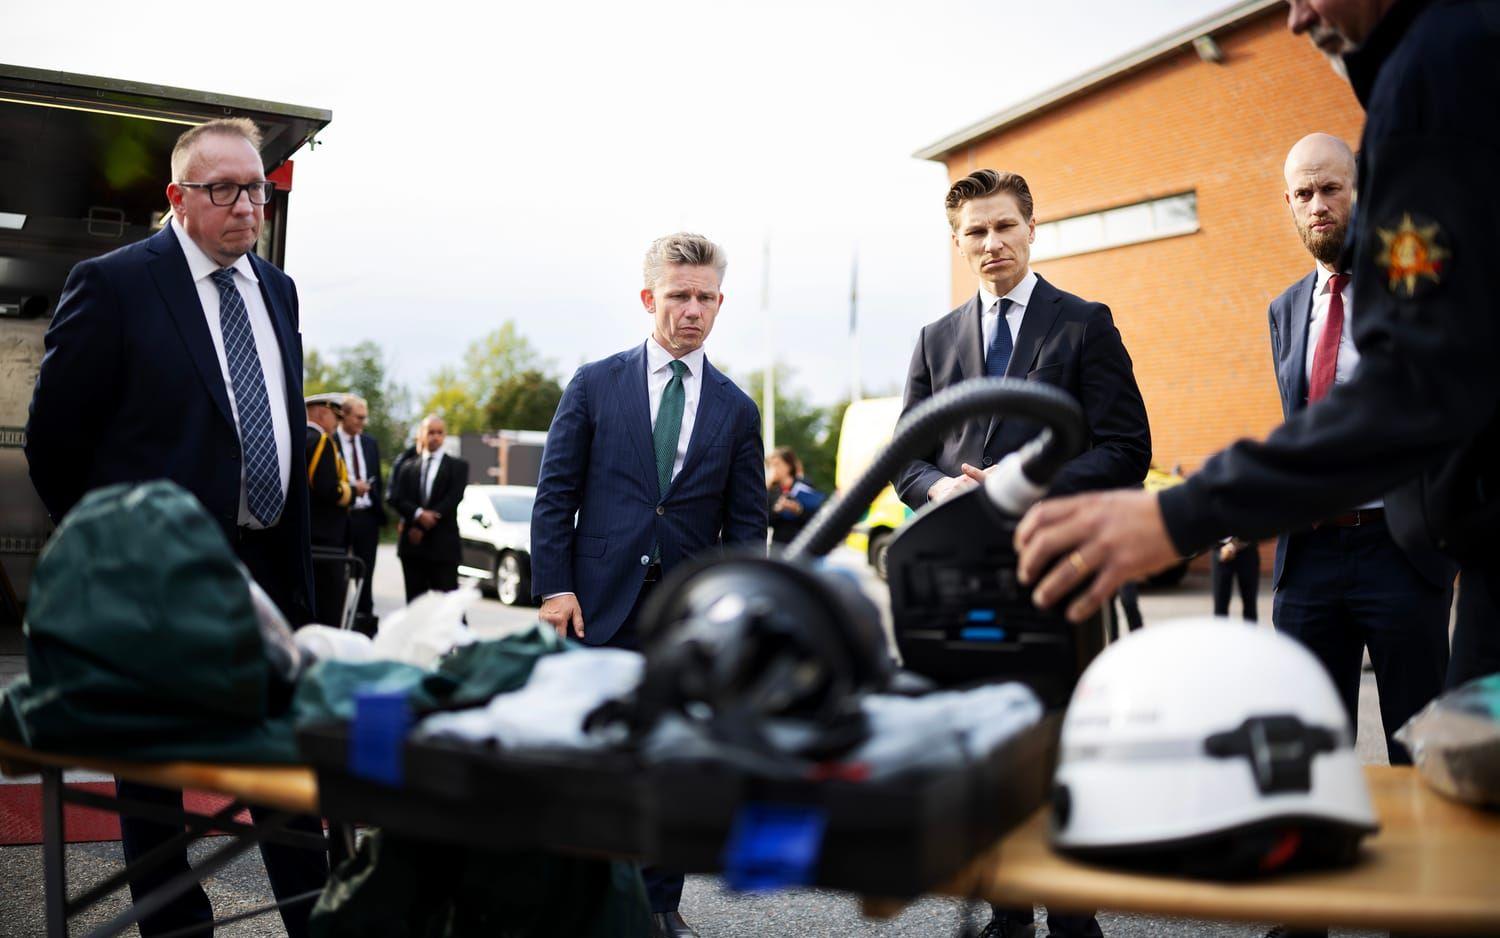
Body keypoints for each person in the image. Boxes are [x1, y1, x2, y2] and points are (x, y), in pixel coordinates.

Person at [1015, 0, 1500, 736]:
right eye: (1300, 193)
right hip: (1314, 555)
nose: (1297, 20)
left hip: (1415, 552)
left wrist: (1179, 512)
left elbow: (1413, 380)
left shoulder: (1436, 69)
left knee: (1450, 772)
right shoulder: (1450, 55)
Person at [25, 118, 327, 936]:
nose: (245, 206)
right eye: (223, 189)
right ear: (177, 198)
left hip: (270, 567)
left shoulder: (277, 289)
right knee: (154, 776)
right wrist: (115, 550)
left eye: (256, 189)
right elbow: (56, 439)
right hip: (159, 582)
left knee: (286, 762)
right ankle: (174, 927)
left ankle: (315, 916)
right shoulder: (115, 284)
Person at [898, 168, 1150, 938]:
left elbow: (1126, 447)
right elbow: (905, 459)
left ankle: (1074, 916)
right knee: (985, 748)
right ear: (957, 243)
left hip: (1059, 572)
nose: (991, 242)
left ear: (1031, 228)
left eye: (1004, 226)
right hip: (967, 580)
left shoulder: (1083, 324)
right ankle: (1006, 913)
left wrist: (1023, 481)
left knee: (1063, 748)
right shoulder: (935, 340)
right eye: (975, 231)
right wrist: (941, 492)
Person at [530, 232, 767, 938]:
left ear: (720, 303)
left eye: (704, 298)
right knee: (594, 762)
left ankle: (659, 906)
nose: (691, 310)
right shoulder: (595, 384)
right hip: (593, 610)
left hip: (686, 622)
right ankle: (586, 899)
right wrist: (554, 588)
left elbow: (747, 527)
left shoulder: (737, 409)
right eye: (678, 296)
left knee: (675, 767)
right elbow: (555, 494)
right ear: (648, 298)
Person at [1268, 132, 1454, 764]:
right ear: (1289, 205)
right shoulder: (1285, 310)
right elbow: (1300, 422)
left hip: (1399, 549)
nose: (1316, 204)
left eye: (1330, 189)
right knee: (1308, 752)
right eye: (1302, 194)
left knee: (1423, 751)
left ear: (1360, 190)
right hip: (1308, 559)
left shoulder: (1411, 287)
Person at [388, 414, 467, 602]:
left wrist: (424, 522)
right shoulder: (407, 467)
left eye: (439, 432)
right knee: (415, 606)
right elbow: (396, 498)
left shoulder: (458, 466)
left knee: (449, 607)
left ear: (445, 436)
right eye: (431, 432)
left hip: (443, 548)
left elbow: (453, 498)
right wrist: (417, 514)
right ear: (421, 435)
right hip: (413, 547)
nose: (435, 437)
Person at [338, 393, 385, 634]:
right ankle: (337, 626)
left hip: (367, 518)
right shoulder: (330, 440)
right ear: (343, 415)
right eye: (358, 417)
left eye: (364, 418)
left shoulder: (369, 443)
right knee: (338, 575)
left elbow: (378, 478)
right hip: (340, 517)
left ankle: (364, 629)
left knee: (365, 574)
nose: (362, 423)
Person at [306, 391, 353, 626]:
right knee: (329, 609)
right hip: (325, 537)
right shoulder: (322, 440)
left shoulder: (299, 436)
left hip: (307, 533)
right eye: (336, 417)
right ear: (322, 413)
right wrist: (352, 492)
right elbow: (326, 489)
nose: (337, 424)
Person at [766, 446, 825, 545]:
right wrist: (777, 510)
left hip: (802, 543)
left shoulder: (804, 484)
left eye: (777, 464)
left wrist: (798, 510)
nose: (774, 469)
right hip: (780, 545)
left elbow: (816, 515)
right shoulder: (770, 490)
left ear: (788, 465)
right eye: (771, 466)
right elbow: (764, 522)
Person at [1210, 536, 1260, 622]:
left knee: (1250, 604)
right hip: (1221, 549)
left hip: (1247, 549)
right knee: (1220, 604)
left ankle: (1250, 634)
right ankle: (1219, 634)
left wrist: (1236, 544)